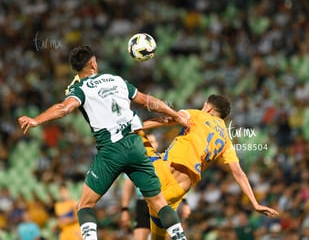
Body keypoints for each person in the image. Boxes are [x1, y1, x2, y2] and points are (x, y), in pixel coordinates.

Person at [18, 45, 189, 240]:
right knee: (159, 203)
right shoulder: (117, 80)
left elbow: (63, 109)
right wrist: (177, 115)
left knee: (84, 205)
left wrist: (36, 120)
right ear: (92, 63)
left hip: (111, 151)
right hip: (135, 146)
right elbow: (148, 101)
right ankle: (180, 237)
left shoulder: (80, 89)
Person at [140, 94, 280, 239]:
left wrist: (139, 126)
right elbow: (238, 172)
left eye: (204, 106)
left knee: (133, 132)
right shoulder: (226, 139)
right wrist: (255, 203)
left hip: (165, 169)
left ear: (209, 108)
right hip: (181, 188)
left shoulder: (198, 115)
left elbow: (168, 119)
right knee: (158, 232)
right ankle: (178, 234)